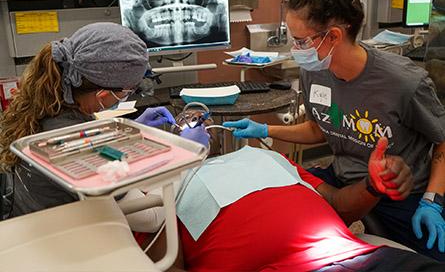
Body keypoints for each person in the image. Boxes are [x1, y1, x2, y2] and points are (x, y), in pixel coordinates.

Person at [223, 0, 445, 261]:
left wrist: (432, 200)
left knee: (431, 258)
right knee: (276, 222)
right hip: (343, 177)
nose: (295, 49)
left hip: (400, 190)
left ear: (335, 36)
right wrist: (264, 130)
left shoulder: (404, 82)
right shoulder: (315, 70)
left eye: (300, 40)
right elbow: (321, 128)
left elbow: (441, 139)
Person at [0, 22, 209, 218]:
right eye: (130, 90)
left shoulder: (49, 104)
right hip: (62, 237)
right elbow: (152, 218)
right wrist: (188, 157)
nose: (131, 94)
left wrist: (132, 132)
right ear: (101, 94)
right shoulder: (71, 138)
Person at [162, 138, 444, 271]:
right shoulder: (164, 186)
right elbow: (162, 264)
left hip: (357, 257)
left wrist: (373, 186)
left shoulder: (268, 158)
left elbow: (338, 204)